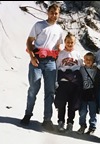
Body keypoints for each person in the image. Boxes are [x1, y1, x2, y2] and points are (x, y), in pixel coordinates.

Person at [20, 3, 64, 131]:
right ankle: (28, 114)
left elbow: (57, 46)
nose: (53, 15)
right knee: (34, 87)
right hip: (37, 60)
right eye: (52, 12)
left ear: (59, 14)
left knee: (50, 91)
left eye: (56, 13)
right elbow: (29, 41)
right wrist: (32, 57)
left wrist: (60, 53)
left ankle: (47, 119)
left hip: (51, 62)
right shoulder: (39, 25)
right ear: (47, 12)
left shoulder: (59, 30)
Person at [54, 32, 83, 132]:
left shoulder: (77, 54)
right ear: (65, 42)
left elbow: (80, 67)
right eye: (68, 42)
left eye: (72, 42)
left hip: (74, 83)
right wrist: (56, 81)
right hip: (63, 82)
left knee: (73, 104)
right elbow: (57, 67)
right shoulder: (61, 54)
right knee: (61, 103)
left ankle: (70, 123)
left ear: (74, 43)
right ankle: (60, 122)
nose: (70, 44)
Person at [77, 52, 98, 135]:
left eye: (90, 59)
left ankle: (92, 127)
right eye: (86, 59)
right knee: (82, 111)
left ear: (93, 61)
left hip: (92, 93)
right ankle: (82, 125)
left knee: (92, 112)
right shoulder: (81, 69)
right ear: (84, 60)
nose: (88, 61)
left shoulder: (96, 69)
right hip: (83, 92)